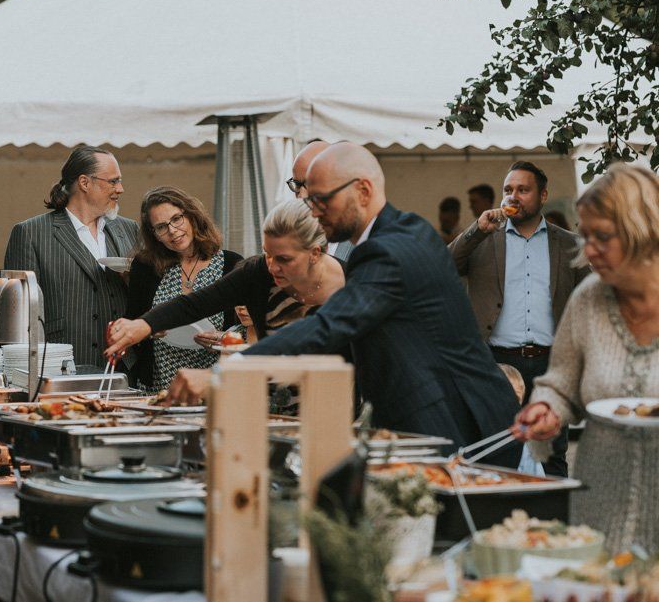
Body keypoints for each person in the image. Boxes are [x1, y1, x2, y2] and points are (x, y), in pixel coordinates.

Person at [162, 143, 522, 466]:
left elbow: (330, 324)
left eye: (321, 200)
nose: (313, 210)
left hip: (455, 420)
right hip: (433, 415)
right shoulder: (402, 232)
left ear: (362, 191)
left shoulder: (389, 250)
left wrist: (228, 371)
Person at [512, 164, 659, 552]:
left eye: (603, 236)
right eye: (585, 234)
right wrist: (546, 408)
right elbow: (561, 382)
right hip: (600, 506)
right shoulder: (589, 299)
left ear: (641, 230)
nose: (588, 249)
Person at [449, 161, 587, 476]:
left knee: (550, 452)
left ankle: (551, 519)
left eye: (523, 190)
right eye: (508, 190)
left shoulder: (568, 244)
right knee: (495, 447)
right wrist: (475, 230)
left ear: (542, 196)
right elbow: (444, 265)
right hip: (495, 362)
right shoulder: (484, 238)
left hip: (550, 365)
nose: (513, 197)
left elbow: (588, 299)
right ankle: (500, 518)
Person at [106, 199, 345, 358]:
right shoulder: (256, 272)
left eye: (283, 258)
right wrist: (143, 324)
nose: (272, 266)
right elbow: (194, 304)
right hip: (271, 408)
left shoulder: (353, 282)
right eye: (267, 253)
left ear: (315, 253)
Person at [4, 146, 139, 367]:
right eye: (113, 181)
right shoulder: (30, 233)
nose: (121, 189)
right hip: (62, 364)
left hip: (124, 366)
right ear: (84, 183)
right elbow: (18, 316)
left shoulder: (129, 229)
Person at [124, 186, 243, 392]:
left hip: (214, 384)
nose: (172, 231)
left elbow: (249, 326)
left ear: (192, 216)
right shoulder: (145, 266)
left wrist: (225, 337)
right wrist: (149, 329)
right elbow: (133, 320)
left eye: (176, 219)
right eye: (161, 227)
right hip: (158, 384)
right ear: (154, 235)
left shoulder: (231, 263)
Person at [285, 141, 355, 262]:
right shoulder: (293, 237)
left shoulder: (367, 241)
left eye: (311, 184)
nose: (301, 196)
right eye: (296, 185)